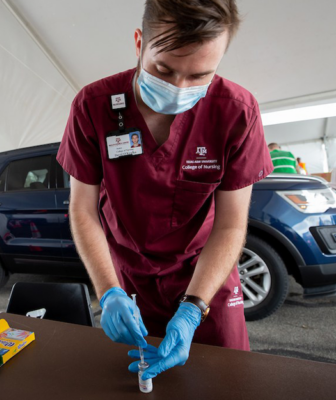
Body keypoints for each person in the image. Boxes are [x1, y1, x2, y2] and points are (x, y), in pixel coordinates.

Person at [57, 0, 273, 382]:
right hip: (129, 280)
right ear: (139, 43)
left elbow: (230, 226)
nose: (179, 89)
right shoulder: (93, 106)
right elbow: (83, 209)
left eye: (199, 75)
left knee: (224, 382)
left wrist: (194, 308)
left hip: (206, 277)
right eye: (164, 69)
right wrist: (108, 292)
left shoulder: (237, 111)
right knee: (131, 380)